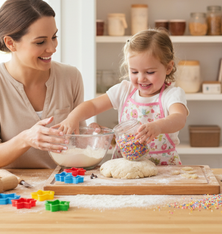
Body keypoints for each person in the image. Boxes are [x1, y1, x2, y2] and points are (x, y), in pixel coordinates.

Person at [0, 0, 85, 169]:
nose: (52, 48)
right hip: (11, 191)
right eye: (40, 42)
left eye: (54, 37)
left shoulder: (71, 77)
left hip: (65, 184)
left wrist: (94, 136)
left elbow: (78, 142)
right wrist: (26, 138)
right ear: (10, 43)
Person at [56, 29, 189, 166]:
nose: (141, 78)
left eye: (150, 72)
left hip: (164, 169)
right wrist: (73, 117)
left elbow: (179, 118)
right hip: (126, 165)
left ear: (168, 67)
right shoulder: (124, 90)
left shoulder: (172, 94)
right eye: (134, 71)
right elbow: (93, 105)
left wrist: (158, 127)